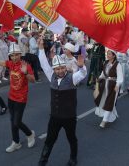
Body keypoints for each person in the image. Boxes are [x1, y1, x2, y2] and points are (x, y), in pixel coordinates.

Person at [37, 38, 87, 166]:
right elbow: (43, 63)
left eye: (61, 68)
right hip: (54, 116)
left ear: (65, 68)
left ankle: (73, 158)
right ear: (53, 70)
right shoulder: (51, 76)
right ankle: (42, 161)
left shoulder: (72, 78)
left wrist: (81, 67)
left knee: (71, 138)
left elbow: (82, 74)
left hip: (69, 117)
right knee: (49, 140)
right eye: (57, 69)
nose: (59, 71)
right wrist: (41, 48)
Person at [0, 42, 36, 153]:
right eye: (12, 55)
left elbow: (33, 80)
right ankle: (16, 142)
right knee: (12, 121)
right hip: (11, 97)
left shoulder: (25, 65)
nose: (14, 57)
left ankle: (29, 134)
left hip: (21, 98)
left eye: (16, 54)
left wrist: (26, 73)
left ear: (20, 54)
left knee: (16, 122)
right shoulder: (10, 64)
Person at [94, 49, 123, 128]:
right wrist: (99, 78)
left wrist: (117, 85)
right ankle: (111, 114)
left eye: (109, 54)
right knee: (103, 100)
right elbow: (103, 74)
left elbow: (120, 77)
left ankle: (104, 120)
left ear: (114, 55)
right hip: (104, 85)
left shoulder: (117, 64)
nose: (108, 55)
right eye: (107, 53)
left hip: (113, 86)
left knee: (110, 102)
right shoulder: (106, 62)